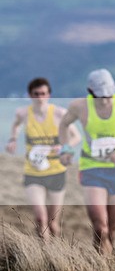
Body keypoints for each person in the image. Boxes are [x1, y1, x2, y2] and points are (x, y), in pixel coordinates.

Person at [59, 69, 115, 256]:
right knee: (100, 227)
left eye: (109, 95)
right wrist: (66, 148)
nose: (105, 100)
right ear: (90, 91)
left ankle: (105, 266)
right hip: (91, 169)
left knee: (111, 229)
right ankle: (100, 267)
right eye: (100, 96)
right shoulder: (79, 106)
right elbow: (63, 125)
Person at [5, 78, 81, 239]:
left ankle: (57, 254)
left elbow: (76, 136)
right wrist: (12, 139)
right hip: (33, 172)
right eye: (36, 94)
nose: (40, 97)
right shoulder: (23, 113)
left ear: (49, 95)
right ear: (30, 95)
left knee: (53, 224)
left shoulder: (60, 113)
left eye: (43, 93)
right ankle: (44, 255)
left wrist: (63, 147)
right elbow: (16, 124)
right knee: (40, 219)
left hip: (56, 172)